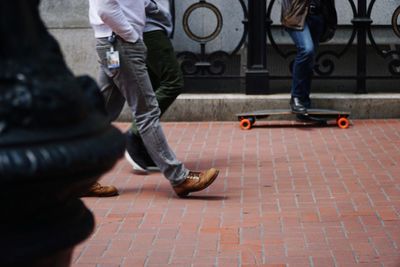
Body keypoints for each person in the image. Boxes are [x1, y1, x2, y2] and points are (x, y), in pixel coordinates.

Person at [85, 0, 219, 198]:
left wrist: (149, 6)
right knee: (147, 112)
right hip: (120, 43)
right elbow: (105, 7)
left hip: (115, 44)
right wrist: (131, 36)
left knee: (100, 113)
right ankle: (179, 177)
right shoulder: (125, 37)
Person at [281, 0, 337, 114]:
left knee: (309, 59)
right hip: (297, 13)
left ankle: (304, 103)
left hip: (318, 15)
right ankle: (296, 97)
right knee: (306, 50)